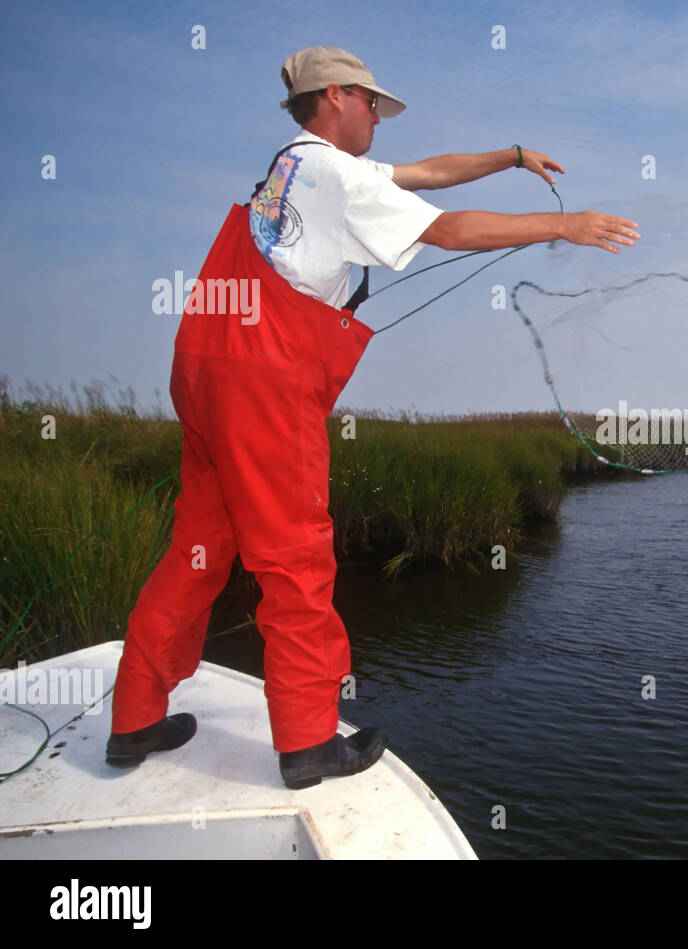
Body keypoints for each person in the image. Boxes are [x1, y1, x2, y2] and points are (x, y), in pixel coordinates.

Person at [107, 46, 639, 789]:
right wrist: (563, 226)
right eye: (371, 104)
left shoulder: (291, 168)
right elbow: (446, 228)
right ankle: (306, 742)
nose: (379, 118)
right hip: (263, 377)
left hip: (205, 363)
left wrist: (512, 156)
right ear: (335, 96)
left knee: (199, 547)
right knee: (295, 556)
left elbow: (427, 174)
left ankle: (133, 716)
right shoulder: (335, 174)